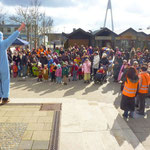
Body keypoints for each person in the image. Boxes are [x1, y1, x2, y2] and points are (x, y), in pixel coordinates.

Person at [0, 23, 25, 104]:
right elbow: (12, 38)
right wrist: (20, 29)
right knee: (5, 80)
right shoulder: (3, 44)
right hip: (3, 66)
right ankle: (5, 97)